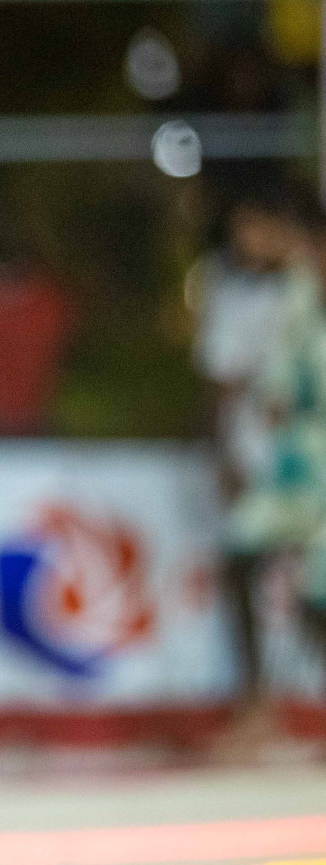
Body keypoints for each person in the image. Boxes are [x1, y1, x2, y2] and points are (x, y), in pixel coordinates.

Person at [194, 188, 302, 749]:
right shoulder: (230, 289)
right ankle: (257, 702)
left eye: (258, 225)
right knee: (245, 569)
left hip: (305, 462)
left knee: (308, 583)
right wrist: (224, 455)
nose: (249, 239)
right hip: (259, 455)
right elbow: (219, 379)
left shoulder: (305, 294)